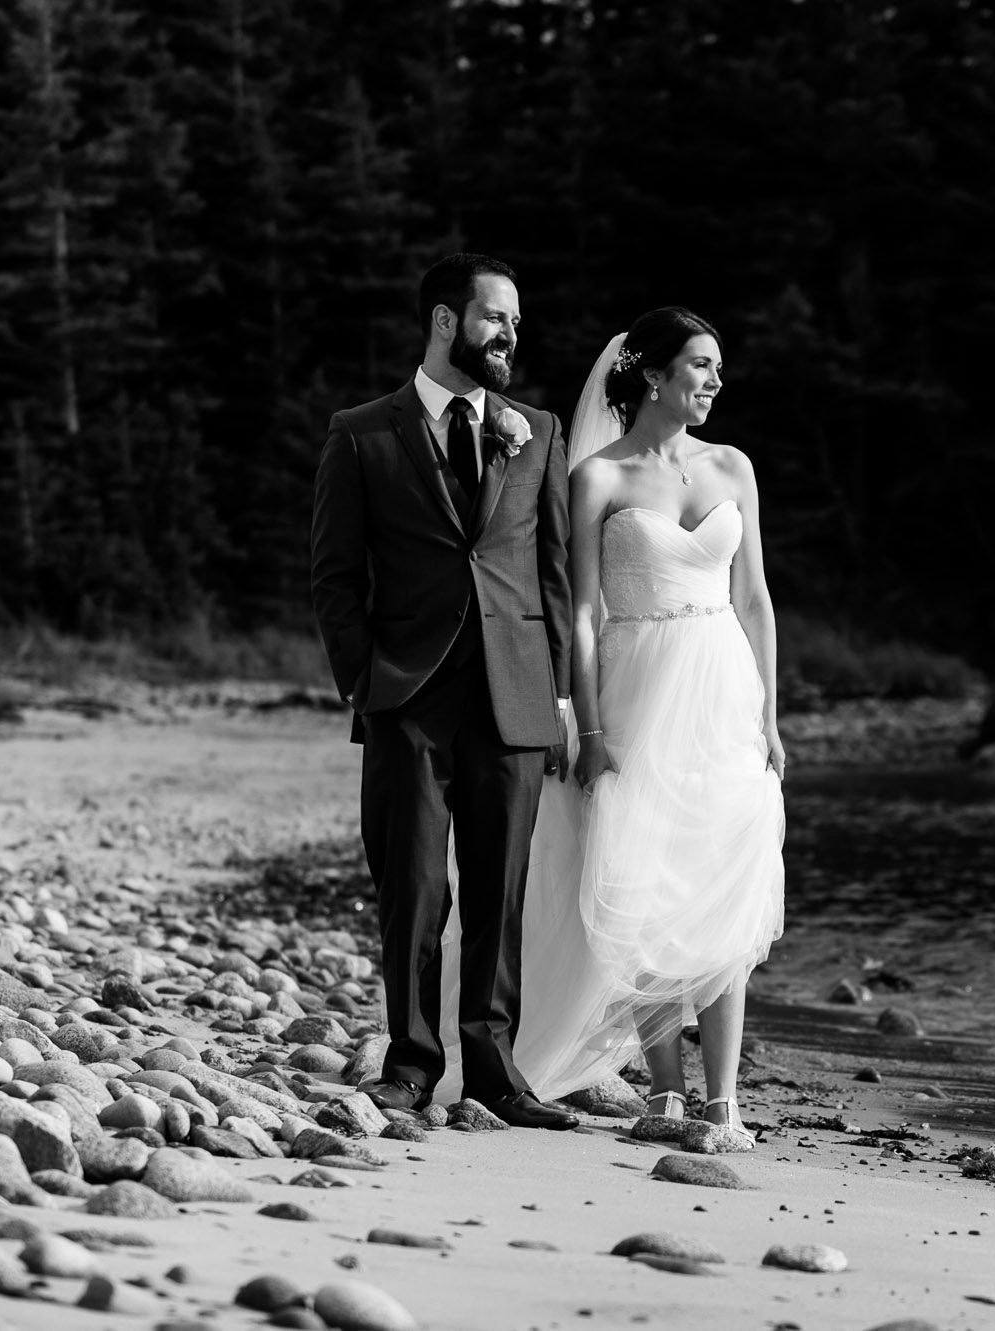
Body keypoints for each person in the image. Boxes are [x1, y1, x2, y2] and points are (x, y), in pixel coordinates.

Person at [309, 253, 579, 1131]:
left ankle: (497, 1073)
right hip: (408, 700)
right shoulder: (361, 433)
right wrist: (366, 681)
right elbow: (335, 580)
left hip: (513, 700)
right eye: (495, 318)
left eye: (514, 323)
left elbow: (554, 578)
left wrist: (561, 699)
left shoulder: (536, 428)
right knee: (415, 888)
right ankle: (413, 1064)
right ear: (443, 321)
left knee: (501, 890)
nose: (509, 335)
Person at [514, 306, 786, 1141]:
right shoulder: (597, 476)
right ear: (656, 375)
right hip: (635, 691)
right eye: (699, 366)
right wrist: (588, 729)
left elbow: (755, 600)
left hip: (723, 697)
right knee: (645, 884)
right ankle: (665, 1090)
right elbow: (584, 613)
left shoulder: (733, 466)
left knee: (724, 888)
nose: (713, 381)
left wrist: (772, 718)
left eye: (716, 368)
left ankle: (724, 1097)